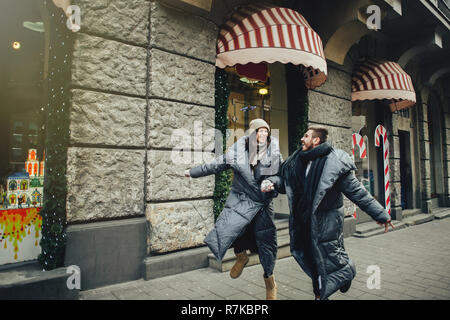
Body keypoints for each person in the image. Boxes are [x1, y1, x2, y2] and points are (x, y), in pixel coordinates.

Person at [262, 127, 394, 300]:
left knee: (325, 259)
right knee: (311, 258)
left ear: (316, 141)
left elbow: (357, 192)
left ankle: (326, 290)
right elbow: (284, 181)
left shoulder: (334, 162)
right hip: (303, 221)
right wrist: (272, 182)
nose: (302, 139)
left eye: (306, 136)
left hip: (327, 222)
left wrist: (381, 215)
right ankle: (342, 275)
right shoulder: (296, 160)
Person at [185, 119, 282, 300]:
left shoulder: (274, 153)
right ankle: (241, 257)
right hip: (241, 202)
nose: (263, 135)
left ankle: (270, 282)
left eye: (266, 132)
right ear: (251, 134)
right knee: (233, 233)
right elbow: (215, 165)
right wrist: (193, 172)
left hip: (262, 206)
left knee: (266, 246)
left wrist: (272, 183)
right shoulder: (237, 152)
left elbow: (281, 177)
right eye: (259, 131)